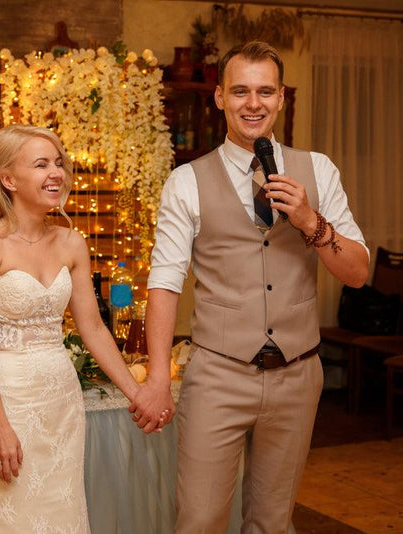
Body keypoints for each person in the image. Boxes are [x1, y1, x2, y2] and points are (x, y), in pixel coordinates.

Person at [138, 41, 370, 532]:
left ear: (281, 98)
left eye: (265, 91)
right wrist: (159, 378)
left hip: (297, 375)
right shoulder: (186, 181)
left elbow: (357, 272)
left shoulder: (319, 169)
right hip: (217, 375)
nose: (253, 103)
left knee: (272, 523)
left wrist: (310, 220)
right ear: (220, 97)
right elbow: (164, 281)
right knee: (199, 520)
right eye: (240, 90)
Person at [0, 124, 165, 532]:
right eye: (41, 164)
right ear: (9, 179)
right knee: (12, 518)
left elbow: (93, 329)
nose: (56, 173)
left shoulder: (72, 242)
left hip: (63, 403)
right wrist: (0, 425)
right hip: (10, 402)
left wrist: (137, 393)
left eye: (58, 163)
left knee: (64, 513)